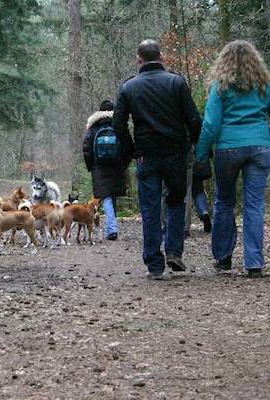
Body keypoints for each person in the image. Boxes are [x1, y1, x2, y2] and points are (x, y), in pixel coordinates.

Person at [113, 39, 202, 280]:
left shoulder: (129, 87)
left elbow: (118, 124)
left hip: (146, 155)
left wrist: (132, 149)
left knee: (150, 208)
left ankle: (154, 263)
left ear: (138, 59)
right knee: (175, 202)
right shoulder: (176, 82)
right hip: (175, 153)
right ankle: (174, 251)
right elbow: (192, 118)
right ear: (161, 57)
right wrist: (195, 144)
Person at [196, 40, 270, 278]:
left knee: (224, 202)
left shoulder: (221, 86)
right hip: (260, 147)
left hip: (228, 148)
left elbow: (210, 124)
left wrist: (201, 154)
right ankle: (254, 263)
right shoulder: (263, 85)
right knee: (255, 205)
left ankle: (223, 257)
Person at [82, 100, 127, 240]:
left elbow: (87, 148)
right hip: (116, 166)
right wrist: (124, 163)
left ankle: (112, 229)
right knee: (111, 196)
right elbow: (127, 145)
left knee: (106, 196)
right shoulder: (118, 125)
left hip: (99, 167)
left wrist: (90, 165)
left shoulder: (93, 127)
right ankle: (112, 228)